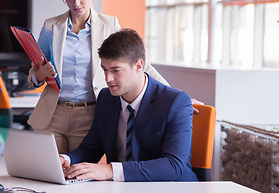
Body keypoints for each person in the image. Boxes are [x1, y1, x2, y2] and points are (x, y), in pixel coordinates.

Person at [27, 0, 171, 153]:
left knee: (77, 175)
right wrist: (40, 75)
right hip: (53, 114)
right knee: (49, 174)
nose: (76, 3)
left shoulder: (109, 25)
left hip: (90, 114)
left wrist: (174, 96)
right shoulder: (51, 27)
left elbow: (139, 65)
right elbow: (33, 75)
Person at [60, 28, 198, 182]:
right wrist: (66, 159)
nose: (108, 78)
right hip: (121, 188)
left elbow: (173, 166)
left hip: (170, 188)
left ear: (139, 66)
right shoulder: (106, 98)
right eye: (104, 70)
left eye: (115, 70)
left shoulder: (175, 102)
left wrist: (110, 170)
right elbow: (90, 149)